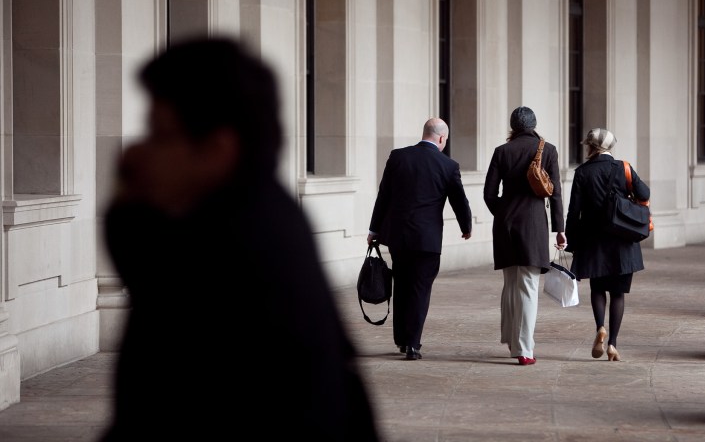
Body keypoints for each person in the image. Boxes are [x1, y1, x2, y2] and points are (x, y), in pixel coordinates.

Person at [100, 36, 381, 441]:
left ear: (217, 149)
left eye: (160, 134)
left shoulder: (229, 243)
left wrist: (126, 189)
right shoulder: (253, 209)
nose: (139, 151)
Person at [367, 118, 472, 361]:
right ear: (442, 138)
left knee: (401, 284)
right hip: (427, 239)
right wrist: (466, 226)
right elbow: (459, 200)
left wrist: (374, 229)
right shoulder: (448, 165)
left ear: (424, 133)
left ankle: (402, 339)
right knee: (420, 289)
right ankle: (413, 343)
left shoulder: (398, 157)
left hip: (399, 237)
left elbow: (384, 195)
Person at [483, 106, 567, 366]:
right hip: (533, 225)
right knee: (528, 287)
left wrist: (504, 212)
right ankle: (524, 349)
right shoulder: (548, 150)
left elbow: (488, 193)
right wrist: (559, 228)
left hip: (505, 225)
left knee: (510, 284)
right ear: (534, 124)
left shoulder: (502, 151)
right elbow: (555, 194)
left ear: (513, 126)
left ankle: (511, 339)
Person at [564, 128, 650, 362]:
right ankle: (612, 343)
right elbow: (645, 193)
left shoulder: (582, 172)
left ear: (590, 147)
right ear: (610, 148)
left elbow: (574, 211)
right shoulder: (624, 168)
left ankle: (600, 327)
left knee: (598, 288)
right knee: (618, 294)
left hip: (593, 240)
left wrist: (570, 241)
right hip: (623, 240)